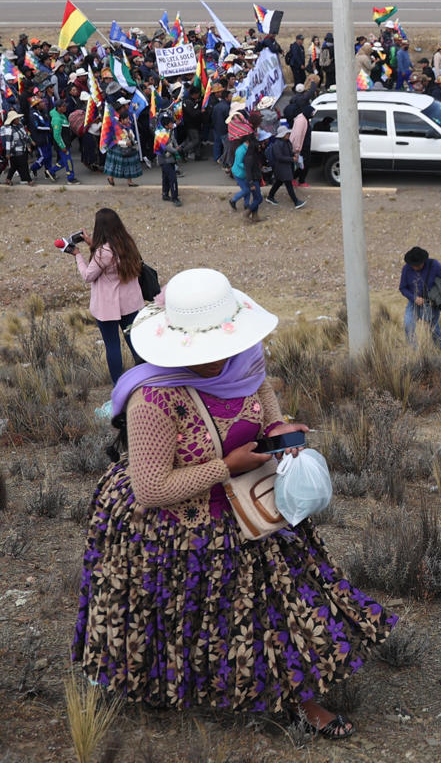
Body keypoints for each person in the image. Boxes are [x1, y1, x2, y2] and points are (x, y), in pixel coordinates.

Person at [76, 267, 394, 730]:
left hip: (251, 511)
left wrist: (279, 432)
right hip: (176, 527)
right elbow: (151, 489)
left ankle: (300, 701)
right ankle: (168, 688)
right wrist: (228, 466)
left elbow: (266, 408)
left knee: (272, 608)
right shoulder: (154, 401)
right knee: (177, 615)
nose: (222, 357)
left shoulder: (244, 362)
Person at [74, 208, 146, 383]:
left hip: (108, 308)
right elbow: (112, 259)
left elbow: (88, 276)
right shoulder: (128, 243)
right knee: (137, 345)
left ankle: (119, 386)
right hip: (131, 303)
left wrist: (77, 255)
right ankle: (147, 380)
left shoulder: (102, 252)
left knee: (113, 347)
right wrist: (93, 245)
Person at [400, 246, 441, 349]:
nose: (415, 268)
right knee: (408, 324)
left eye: (418, 265)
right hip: (413, 302)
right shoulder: (406, 269)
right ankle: (413, 352)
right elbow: (402, 288)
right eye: (413, 265)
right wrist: (414, 298)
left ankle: (439, 350)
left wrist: (435, 294)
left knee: (433, 328)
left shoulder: (434, 265)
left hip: (432, 303)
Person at [265, 124, 304, 209]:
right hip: (281, 167)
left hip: (284, 167)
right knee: (288, 184)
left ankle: (270, 197)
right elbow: (279, 157)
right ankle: (296, 202)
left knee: (278, 182)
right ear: (282, 135)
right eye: (286, 134)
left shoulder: (286, 142)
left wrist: (294, 155)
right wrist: (292, 159)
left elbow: (288, 152)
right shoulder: (277, 144)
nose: (288, 135)